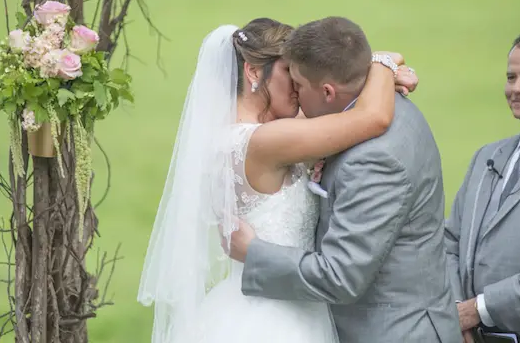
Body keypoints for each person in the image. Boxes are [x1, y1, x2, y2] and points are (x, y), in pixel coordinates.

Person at [137, 17, 417, 343]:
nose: (300, 83)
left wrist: (364, 80)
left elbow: (336, 102)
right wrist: (384, 63)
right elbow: (373, 118)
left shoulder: (238, 134)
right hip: (277, 321)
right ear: (254, 71)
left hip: (257, 302)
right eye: (290, 72)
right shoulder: (264, 143)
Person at [227, 17, 462, 343]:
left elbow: (341, 275)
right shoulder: (380, 108)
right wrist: (382, 65)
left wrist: (254, 252)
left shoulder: (374, 155)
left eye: (298, 84)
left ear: (327, 90)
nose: (294, 94)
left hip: (393, 331)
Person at [445, 31, 520, 343]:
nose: (516, 88)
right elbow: (449, 242)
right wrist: (458, 310)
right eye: (511, 77)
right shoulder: (486, 156)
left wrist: (477, 310)